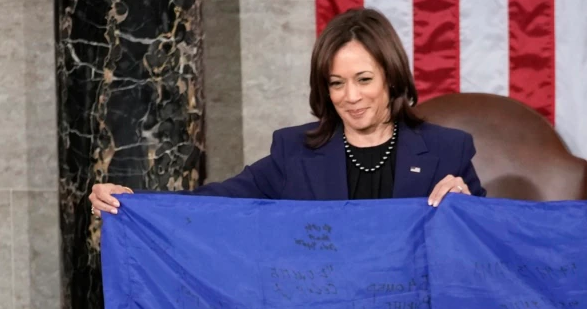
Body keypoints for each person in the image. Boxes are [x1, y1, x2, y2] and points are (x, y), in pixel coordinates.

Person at [89, 8, 485, 215]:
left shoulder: (447, 151)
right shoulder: (293, 151)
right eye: (336, 82)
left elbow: (494, 241)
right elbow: (215, 202)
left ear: (392, 79)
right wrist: (132, 202)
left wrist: (468, 208)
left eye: (364, 79)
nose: (351, 96)